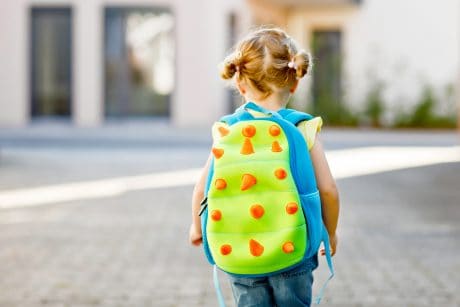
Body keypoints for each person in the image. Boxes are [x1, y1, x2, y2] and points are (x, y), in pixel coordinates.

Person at [189, 27, 339, 307]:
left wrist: (196, 227)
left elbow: (202, 187)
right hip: (292, 247)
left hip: (240, 251)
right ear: (294, 83)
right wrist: (329, 233)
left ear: (240, 84)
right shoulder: (303, 127)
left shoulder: (225, 130)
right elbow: (328, 189)